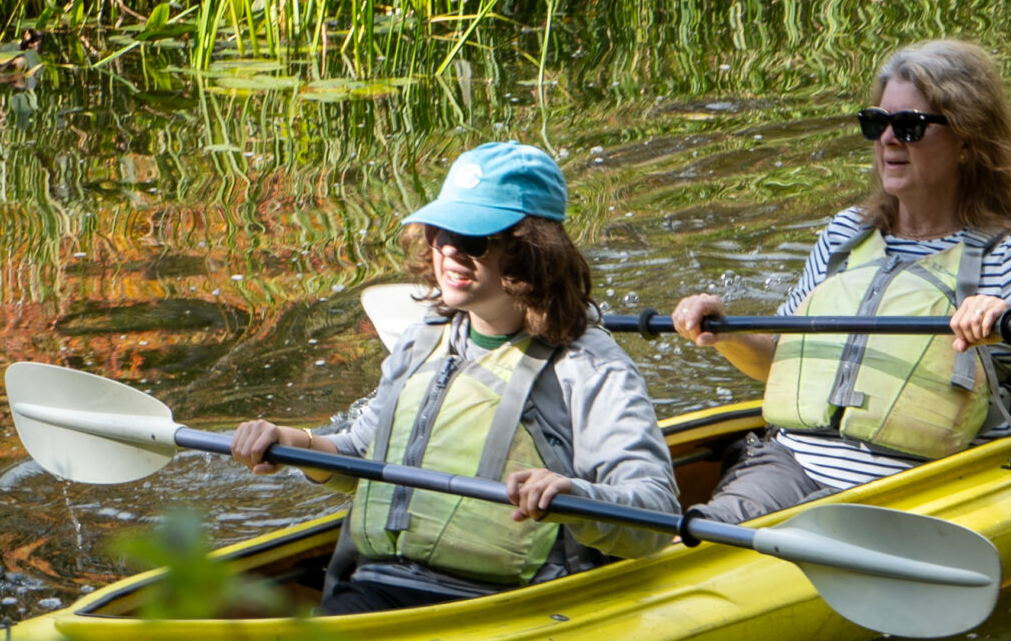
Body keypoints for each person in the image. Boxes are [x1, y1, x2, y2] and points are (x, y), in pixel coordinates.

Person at [672, 39, 1011, 524]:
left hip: (911, 487)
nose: (888, 139)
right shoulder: (846, 234)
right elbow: (779, 358)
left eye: (909, 127)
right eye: (877, 123)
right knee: (706, 531)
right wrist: (723, 333)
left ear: (968, 140)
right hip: (790, 465)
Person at [231, 142, 680, 615]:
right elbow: (362, 456)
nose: (449, 253)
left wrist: (574, 494)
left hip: (509, 606)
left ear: (532, 253)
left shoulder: (588, 366)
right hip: (378, 588)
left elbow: (654, 513)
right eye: (441, 233)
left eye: (474, 240)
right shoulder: (422, 339)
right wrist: (292, 442)